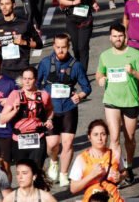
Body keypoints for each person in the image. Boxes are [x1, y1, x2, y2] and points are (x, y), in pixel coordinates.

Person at [95, 24, 139, 184]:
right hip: (111, 101)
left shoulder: (135, 54)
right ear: (110, 37)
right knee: (114, 138)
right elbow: (99, 73)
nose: (118, 39)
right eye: (115, 36)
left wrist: (133, 72)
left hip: (130, 101)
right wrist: (100, 79)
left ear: (125, 37)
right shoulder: (105, 55)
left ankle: (129, 165)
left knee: (129, 138)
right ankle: (116, 170)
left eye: (120, 36)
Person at [39, 32, 91, 186]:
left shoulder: (76, 65)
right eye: (57, 47)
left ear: (68, 47)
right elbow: (36, 83)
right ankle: (54, 161)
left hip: (69, 108)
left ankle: (63, 173)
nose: (60, 51)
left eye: (63, 47)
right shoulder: (45, 63)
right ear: (54, 46)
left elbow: (86, 87)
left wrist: (80, 95)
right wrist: (40, 97)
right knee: (52, 145)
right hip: (50, 110)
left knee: (67, 143)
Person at [68, 120, 124, 202]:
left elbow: (124, 172)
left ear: (107, 136)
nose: (99, 138)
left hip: (114, 199)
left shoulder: (115, 154)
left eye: (103, 134)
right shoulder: (81, 159)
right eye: (95, 134)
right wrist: (91, 175)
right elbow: (73, 189)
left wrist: (120, 176)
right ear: (89, 137)